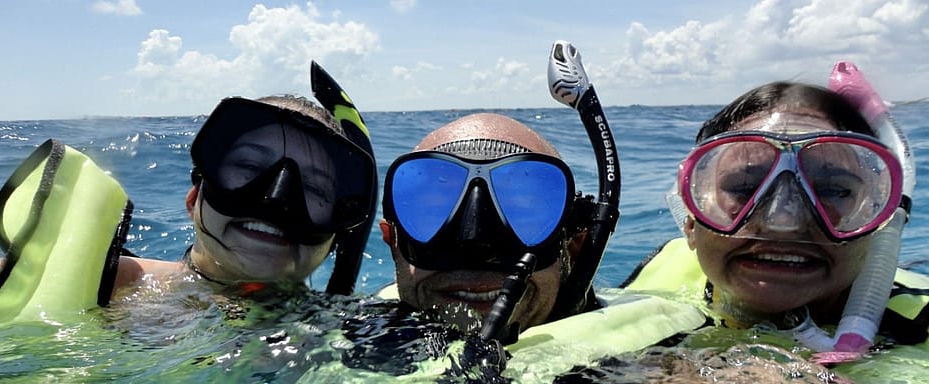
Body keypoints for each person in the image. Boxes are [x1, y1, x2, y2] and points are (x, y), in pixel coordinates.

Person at [0, 92, 377, 325]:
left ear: (338, 235)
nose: (275, 200)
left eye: (316, 189)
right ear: (193, 199)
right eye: (249, 168)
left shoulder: (350, 331)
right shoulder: (111, 287)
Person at [623, 80, 929, 351]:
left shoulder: (919, 327)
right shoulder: (653, 279)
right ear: (691, 220)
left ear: (878, 220)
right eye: (744, 186)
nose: (783, 222)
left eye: (832, 190)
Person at [377, 112, 597, 337]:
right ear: (392, 239)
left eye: (519, 212)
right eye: (435, 211)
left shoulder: (627, 365)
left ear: (573, 247)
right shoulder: (352, 336)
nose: (475, 243)